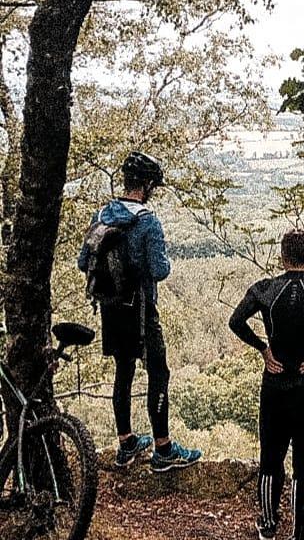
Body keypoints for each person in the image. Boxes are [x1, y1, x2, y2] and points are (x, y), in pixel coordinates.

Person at [78, 151, 202, 472]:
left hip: (111, 308)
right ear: (146, 185)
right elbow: (160, 270)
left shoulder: (102, 215)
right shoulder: (148, 221)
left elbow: (83, 262)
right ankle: (163, 449)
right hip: (142, 310)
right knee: (158, 373)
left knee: (124, 372)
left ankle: (127, 443)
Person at [229, 229, 304, 540]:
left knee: (270, 459)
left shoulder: (265, 289)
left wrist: (263, 349)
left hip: (275, 384)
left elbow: (236, 321)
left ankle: (268, 525)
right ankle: (301, 531)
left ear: (282, 257)